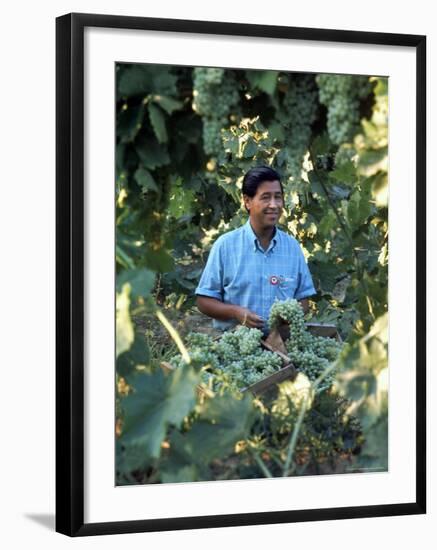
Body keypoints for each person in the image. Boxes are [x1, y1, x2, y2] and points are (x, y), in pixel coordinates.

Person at [195, 165, 316, 333]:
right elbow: (204, 301)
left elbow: (303, 300)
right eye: (266, 197)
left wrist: (288, 317)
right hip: (236, 349)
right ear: (247, 201)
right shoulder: (225, 246)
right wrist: (235, 312)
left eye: (278, 197)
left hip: (281, 347)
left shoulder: (292, 248)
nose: (274, 205)